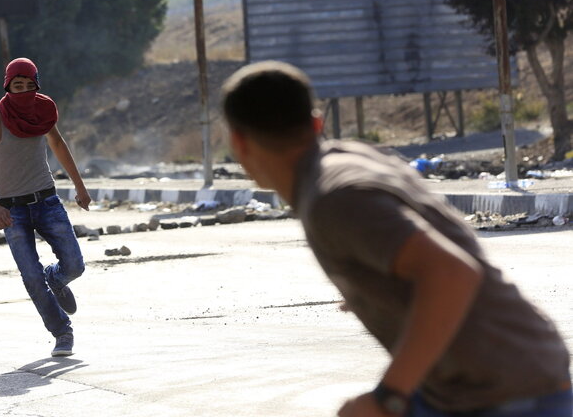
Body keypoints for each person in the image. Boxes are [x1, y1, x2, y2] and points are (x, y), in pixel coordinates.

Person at [221, 60, 571, 417]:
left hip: (506, 394)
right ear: (316, 123)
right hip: (497, 377)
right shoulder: (350, 159)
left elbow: (452, 273)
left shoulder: (334, 198)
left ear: (239, 142)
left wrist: (388, 396)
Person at [0, 57, 91, 357]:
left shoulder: (43, 109)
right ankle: (62, 332)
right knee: (31, 278)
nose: (23, 91)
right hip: (12, 211)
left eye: (28, 85)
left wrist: (80, 187)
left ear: (36, 85)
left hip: (47, 200)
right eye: (16, 86)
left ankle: (56, 280)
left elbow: (58, 146)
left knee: (75, 265)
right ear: (7, 86)